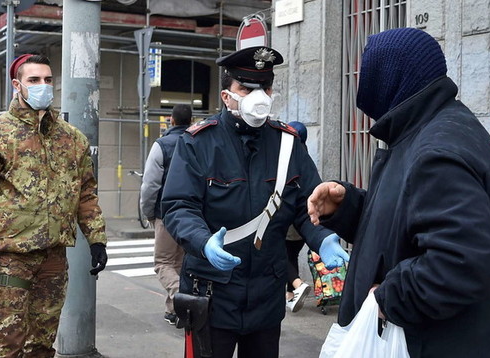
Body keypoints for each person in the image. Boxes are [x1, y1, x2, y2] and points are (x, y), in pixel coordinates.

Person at [307, 28, 490, 357]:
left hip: (441, 344)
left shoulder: (436, 150)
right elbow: (408, 224)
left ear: (392, 77)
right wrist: (348, 205)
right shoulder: (425, 133)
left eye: (368, 71)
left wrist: (389, 297)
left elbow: (462, 262)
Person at [161, 46, 349, 358]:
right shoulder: (198, 143)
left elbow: (308, 206)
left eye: (264, 87)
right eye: (246, 88)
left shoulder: (288, 144)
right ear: (226, 95)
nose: (257, 96)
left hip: (266, 296)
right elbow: (179, 206)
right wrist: (203, 241)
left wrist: (323, 237)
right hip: (211, 292)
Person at [0, 53, 108, 357]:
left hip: (53, 258)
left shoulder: (72, 139)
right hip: (9, 257)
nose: (43, 86)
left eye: (48, 80)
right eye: (34, 80)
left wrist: (97, 240)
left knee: (42, 343)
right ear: (17, 85)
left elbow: (86, 192)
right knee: (11, 344)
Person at [140, 104, 192, 325]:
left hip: (167, 213)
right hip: (192, 214)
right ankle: (174, 311)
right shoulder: (197, 141)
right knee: (178, 262)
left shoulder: (162, 145)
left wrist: (148, 212)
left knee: (162, 263)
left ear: (171, 120)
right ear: (190, 120)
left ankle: (184, 299)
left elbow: (150, 184)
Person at [284, 121, 311, 313]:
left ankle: (298, 284)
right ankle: (289, 295)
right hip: (304, 220)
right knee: (291, 254)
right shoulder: (306, 157)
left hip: (289, 218)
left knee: (281, 254)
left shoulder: (288, 158)